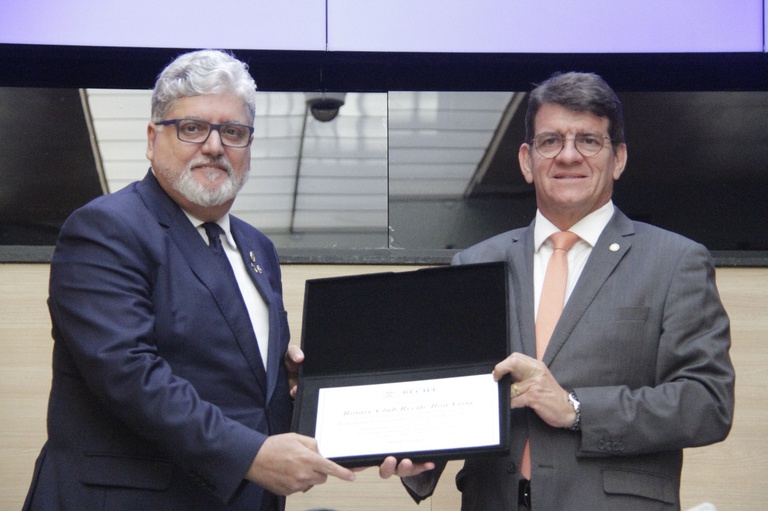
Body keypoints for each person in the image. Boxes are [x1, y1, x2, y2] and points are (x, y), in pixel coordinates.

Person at [380, 72, 735, 510]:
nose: (568, 155)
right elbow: (451, 394)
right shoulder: (474, 265)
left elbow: (707, 402)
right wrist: (418, 453)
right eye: (550, 141)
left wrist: (575, 408)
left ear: (618, 158)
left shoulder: (674, 261)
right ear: (527, 161)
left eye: (588, 140)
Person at [22, 49, 355, 511]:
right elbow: (130, 374)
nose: (215, 146)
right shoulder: (106, 228)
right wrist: (250, 455)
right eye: (193, 128)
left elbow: (232, 375)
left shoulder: (257, 248)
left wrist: (291, 381)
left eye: (233, 132)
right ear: (152, 138)